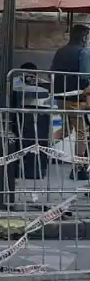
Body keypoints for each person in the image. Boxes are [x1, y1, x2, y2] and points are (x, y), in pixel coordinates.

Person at [51, 24, 90, 180]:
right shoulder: (83, 52)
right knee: (81, 133)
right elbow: (85, 77)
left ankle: (40, 148)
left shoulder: (60, 51)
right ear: (84, 37)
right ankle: (79, 168)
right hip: (77, 99)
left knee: (66, 129)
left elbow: (52, 72)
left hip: (61, 98)